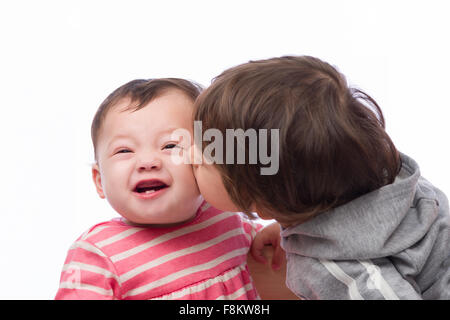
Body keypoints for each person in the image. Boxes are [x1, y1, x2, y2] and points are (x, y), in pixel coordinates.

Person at [192, 55, 450, 299]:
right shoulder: (384, 175)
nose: (189, 155)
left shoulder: (338, 271)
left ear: (263, 201)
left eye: (204, 158)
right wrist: (294, 227)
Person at [55, 78, 267, 300]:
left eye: (170, 146)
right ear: (99, 180)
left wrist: (270, 238)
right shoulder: (98, 253)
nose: (147, 162)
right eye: (124, 151)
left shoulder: (226, 218)